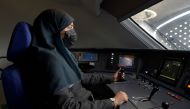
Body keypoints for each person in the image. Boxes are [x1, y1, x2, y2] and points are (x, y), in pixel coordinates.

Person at [18, 9, 128, 109]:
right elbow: (68, 106)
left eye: (72, 27)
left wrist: (111, 78)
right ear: (53, 30)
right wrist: (113, 102)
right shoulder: (49, 61)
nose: (72, 32)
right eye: (69, 27)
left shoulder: (60, 52)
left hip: (86, 99)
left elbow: (81, 77)